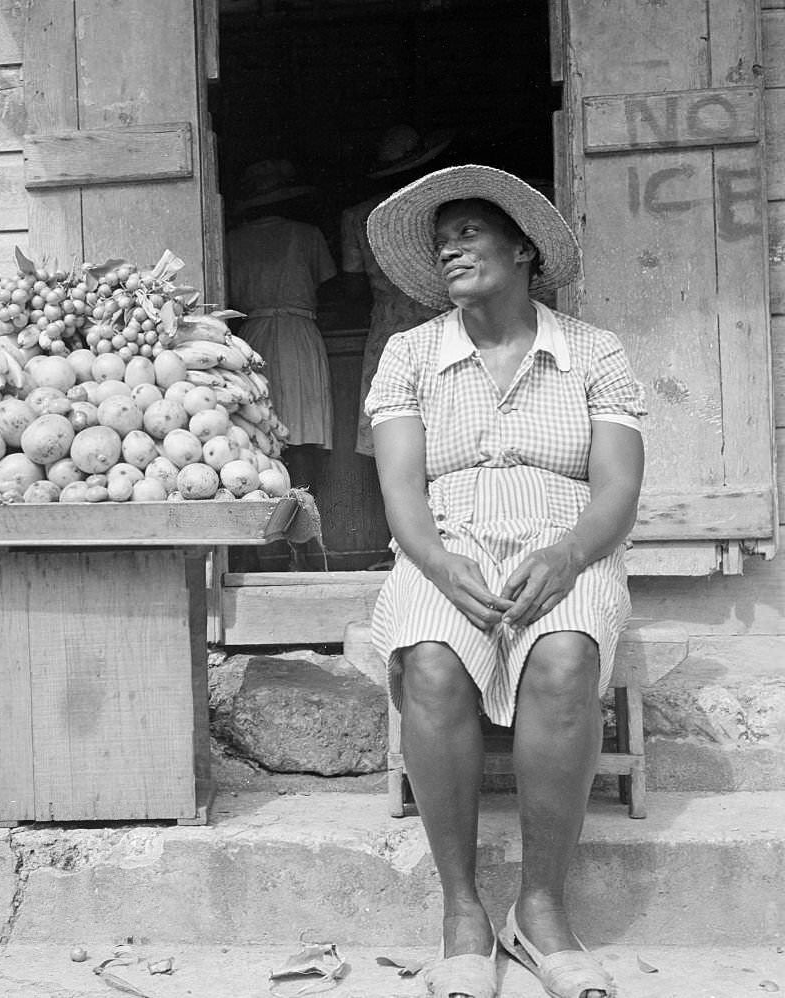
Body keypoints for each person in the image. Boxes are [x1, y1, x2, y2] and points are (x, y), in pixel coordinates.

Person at [364, 165, 646, 998]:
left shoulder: (593, 350)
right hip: (445, 544)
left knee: (564, 657)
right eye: (440, 241)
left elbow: (618, 490)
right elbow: (401, 491)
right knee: (430, 661)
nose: (449, 249)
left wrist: (566, 557)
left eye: (468, 233)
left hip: (565, 547)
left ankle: (541, 909)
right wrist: (437, 563)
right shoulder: (410, 353)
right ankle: (463, 913)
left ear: (524, 250)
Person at [340, 124, 454, 457]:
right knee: (449, 425)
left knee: (392, 424)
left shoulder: (358, 216)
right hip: (445, 320)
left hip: (390, 328)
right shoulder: (442, 210)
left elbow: (353, 286)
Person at [226, 159, 336, 493]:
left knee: (261, 429)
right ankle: (303, 510)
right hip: (298, 335)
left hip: (252, 339)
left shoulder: (232, 241)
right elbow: (328, 286)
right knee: (300, 432)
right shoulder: (307, 235)